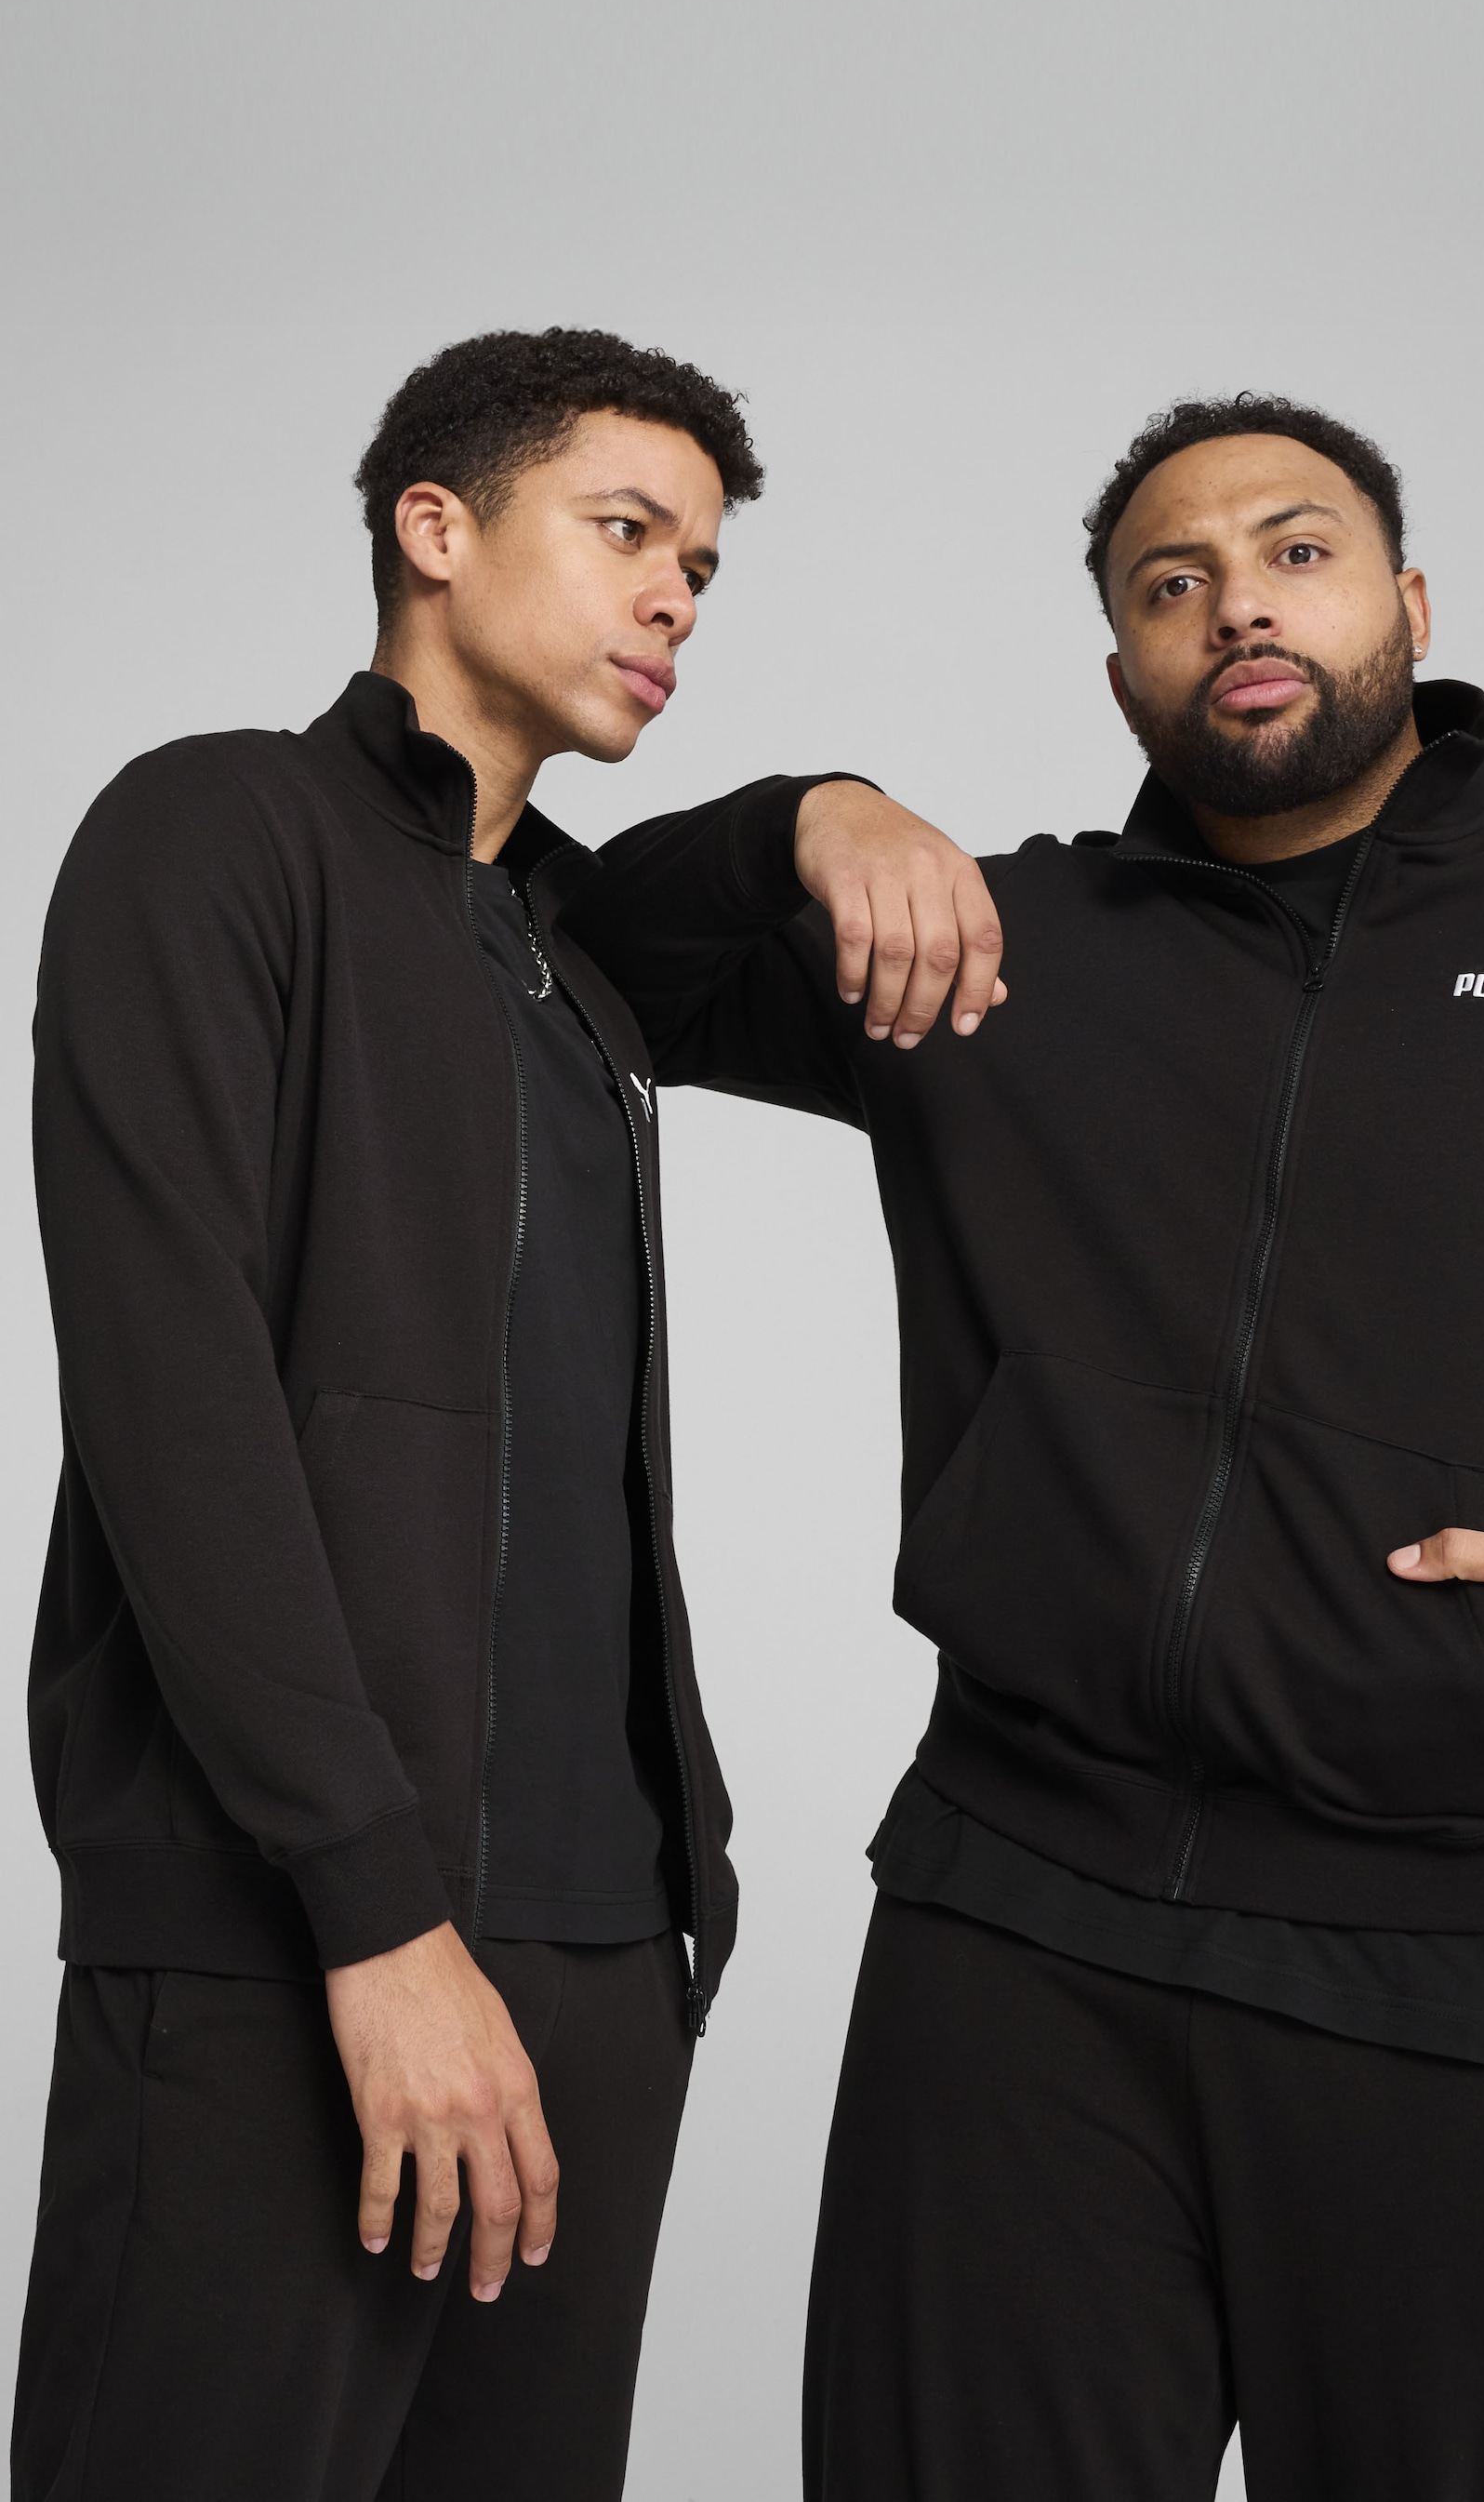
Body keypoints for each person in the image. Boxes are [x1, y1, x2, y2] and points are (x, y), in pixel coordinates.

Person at [572, 393, 1484, 2502]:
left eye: (1296, 552)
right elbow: (567, 960)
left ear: (1411, 606)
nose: (1237, 608)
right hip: (1025, 1946)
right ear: (1121, 671)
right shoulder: (997, 958)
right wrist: (805, 816)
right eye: (1169, 584)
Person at [15, 326, 1003, 2502]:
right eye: (627, 529)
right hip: (296, 1937)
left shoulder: (572, 955)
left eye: (703, 568)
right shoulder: (217, 832)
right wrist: (374, 1915)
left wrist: (825, 803)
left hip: (594, 1955)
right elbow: (176, 1400)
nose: (674, 596)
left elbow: (801, 935)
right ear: (435, 529)